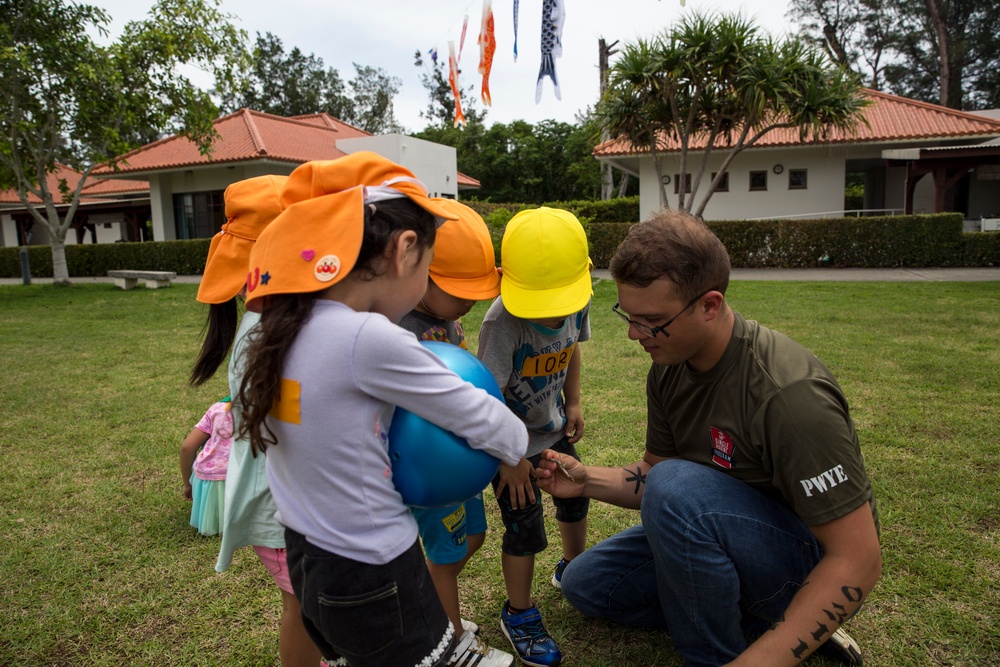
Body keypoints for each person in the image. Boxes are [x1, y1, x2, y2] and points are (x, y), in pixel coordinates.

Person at [535, 210, 882, 667]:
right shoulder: (670, 364)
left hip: (801, 561)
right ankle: (763, 620)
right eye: (629, 316)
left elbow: (857, 558)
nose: (635, 334)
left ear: (710, 305)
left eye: (652, 321)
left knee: (678, 487)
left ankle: (719, 653)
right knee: (587, 584)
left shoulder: (789, 396)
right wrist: (587, 482)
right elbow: (655, 475)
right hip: (723, 535)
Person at [237, 152, 529, 667]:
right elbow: (473, 410)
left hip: (309, 560)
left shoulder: (278, 327)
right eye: (429, 265)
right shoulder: (364, 338)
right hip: (374, 569)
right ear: (404, 248)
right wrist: (516, 449)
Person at [191, 174, 324, 667]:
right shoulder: (264, 333)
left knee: (312, 604)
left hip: (294, 499)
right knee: (303, 607)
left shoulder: (278, 320)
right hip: (282, 504)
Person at [397, 198, 514, 666]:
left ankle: (429, 611)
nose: (468, 301)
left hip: (460, 459)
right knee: (446, 554)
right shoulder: (397, 329)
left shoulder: (446, 318)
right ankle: (448, 646)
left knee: (473, 538)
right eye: (458, 290)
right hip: (429, 467)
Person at [476, 207, 593, 667]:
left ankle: (576, 572)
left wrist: (576, 401)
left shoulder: (577, 300)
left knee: (576, 496)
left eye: (561, 303)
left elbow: (572, 351)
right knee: (524, 527)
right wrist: (508, 457)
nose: (555, 314)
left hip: (553, 430)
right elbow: (485, 399)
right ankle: (519, 613)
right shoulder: (500, 324)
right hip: (508, 445)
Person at [179, 396, 233, 536]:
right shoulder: (267, 411)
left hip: (209, 479)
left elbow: (187, 448)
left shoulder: (216, 409)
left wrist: (187, 484)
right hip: (246, 477)